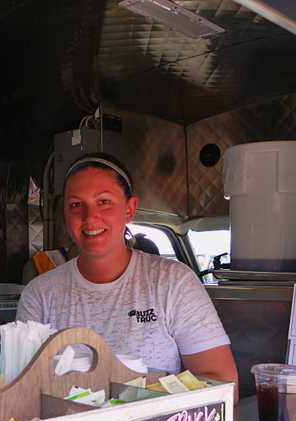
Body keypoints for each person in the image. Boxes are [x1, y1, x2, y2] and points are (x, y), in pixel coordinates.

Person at [17, 153, 238, 392]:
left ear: (130, 209)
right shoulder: (39, 294)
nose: (90, 217)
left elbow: (222, 382)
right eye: (76, 205)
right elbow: (24, 392)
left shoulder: (173, 283)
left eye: (104, 202)